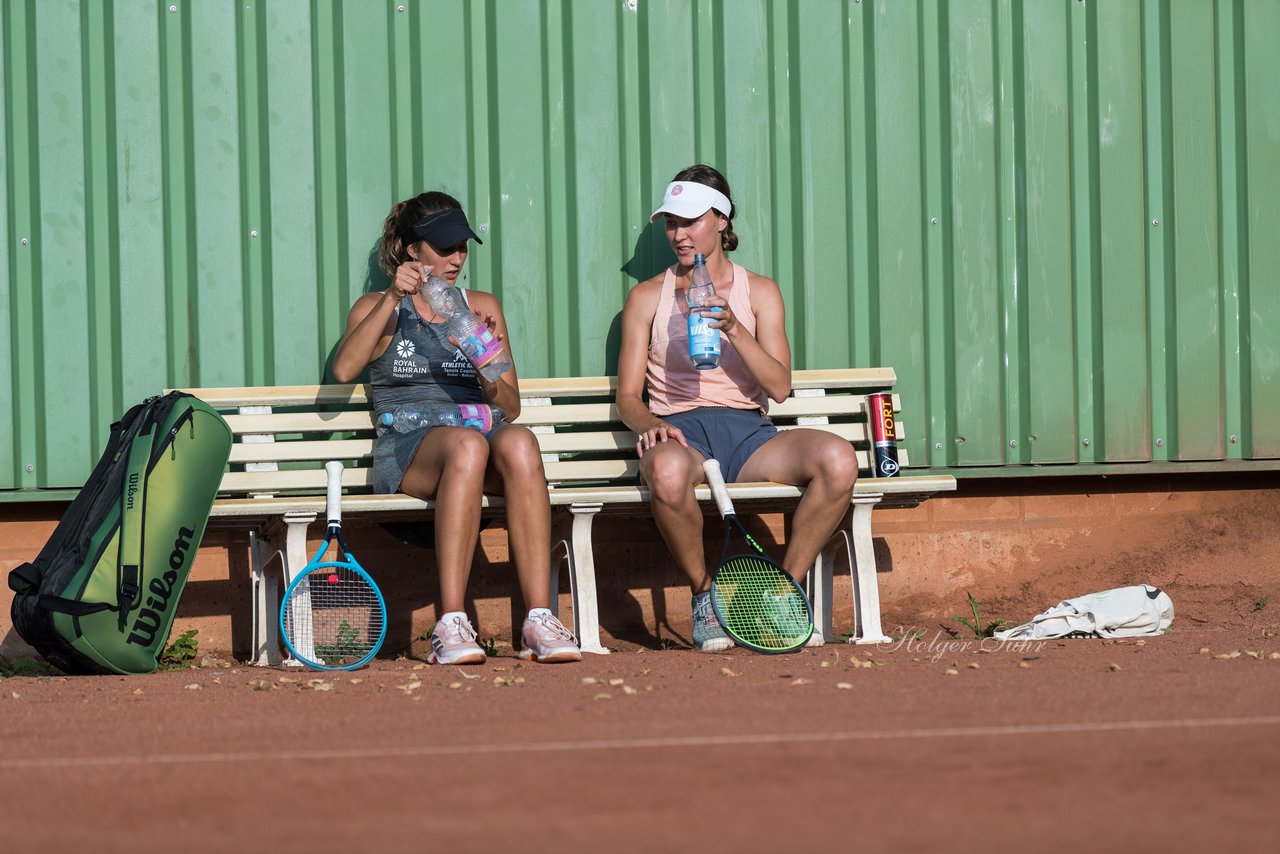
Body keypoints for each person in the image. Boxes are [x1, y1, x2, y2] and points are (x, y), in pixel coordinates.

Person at [615, 165, 859, 652]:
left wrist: (733, 328)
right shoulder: (646, 296)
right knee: (663, 472)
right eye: (671, 223)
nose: (679, 235)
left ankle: (781, 591)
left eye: (691, 221)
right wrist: (651, 426)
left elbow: (780, 387)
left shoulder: (759, 290)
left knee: (839, 459)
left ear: (722, 221)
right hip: (682, 435)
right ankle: (705, 597)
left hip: (749, 435)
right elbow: (627, 397)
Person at [333, 191, 581, 665]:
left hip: (477, 437)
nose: (456, 258)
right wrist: (392, 297)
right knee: (468, 446)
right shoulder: (379, 305)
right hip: (411, 449)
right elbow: (345, 370)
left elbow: (513, 404)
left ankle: (539, 619)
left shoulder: (479, 305)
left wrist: (483, 363)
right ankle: (450, 622)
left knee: (522, 443)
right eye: (444, 248)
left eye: (462, 247)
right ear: (412, 250)